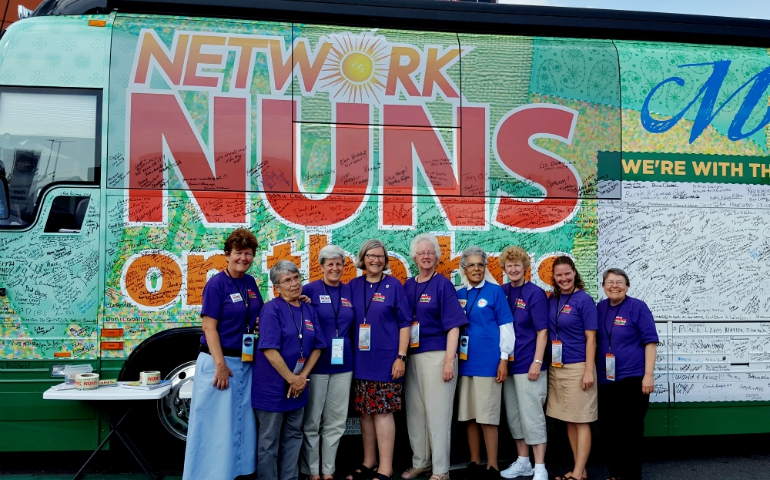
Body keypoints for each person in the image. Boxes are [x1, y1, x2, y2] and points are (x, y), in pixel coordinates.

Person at [184, 228, 264, 480]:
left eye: (249, 254)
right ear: (227, 254)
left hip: (244, 363)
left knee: (239, 422)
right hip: (219, 363)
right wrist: (220, 365)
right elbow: (209, 327)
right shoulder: (216, 284)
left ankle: (235, 471)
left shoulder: (250, 283)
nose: (244, 258)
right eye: (239, 253)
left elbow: (257, 315)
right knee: (214, 424)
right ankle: (206, 474)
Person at [402, 233, 468, 480]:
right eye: (422, 253)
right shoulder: (409, 285)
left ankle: (441, 470)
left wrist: (449, 361)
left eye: (431, 253)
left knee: (438, 415)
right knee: (416, 413)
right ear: (414, 257)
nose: (426, 256)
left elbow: (454, 326)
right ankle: (421, 461)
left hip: (438, 355)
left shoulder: (443, 285)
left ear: (437, 257)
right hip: (412, 356)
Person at [254, 260, 327, 480]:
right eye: (287, 280)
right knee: (269, 441)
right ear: (277, 287)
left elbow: (318, 347)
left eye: (296, 278)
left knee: (294, 436)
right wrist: (291, 379)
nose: (294, 283)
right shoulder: (271, 309)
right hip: (272, 388)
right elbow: (268, 349)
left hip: (298, 387)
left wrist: (301, 378)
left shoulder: (308, 309)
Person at [347, 239, 412, 480]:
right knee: (365, 413)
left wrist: (401, 357)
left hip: (387, 362)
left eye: (381, 256)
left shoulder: (394, 285)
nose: (376, 260)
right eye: (371, 256)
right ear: (363, 258)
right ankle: (369, 461)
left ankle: (385, 467)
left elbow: (406, 324)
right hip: (360, 363)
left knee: (383, 413)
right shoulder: (352, 286)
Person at [456, 246, 515, 480]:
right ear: (464, 268)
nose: (476, 269)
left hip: (489, 363)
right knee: (470, 415)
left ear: (485, 267)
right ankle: (474, 461)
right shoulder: (459, 294)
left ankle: (492, 465)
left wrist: (503, 360)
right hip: (465, 364)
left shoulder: (495, 292)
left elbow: (506, 328)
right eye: (471, 265)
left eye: (480, 265)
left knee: (488, 416)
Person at [300, 246, 356, 480]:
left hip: (344, 365)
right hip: (317, 365)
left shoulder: (349, 291)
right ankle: (312, 470)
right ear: (321, 266)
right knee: (312, 421)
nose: (334, 268)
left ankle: (328, 470)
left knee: (336, 421)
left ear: (344, 267)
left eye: (339, 264)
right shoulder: (309, 290)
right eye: (329, 264)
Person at [596, 268, 658, 480]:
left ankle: (632, 476)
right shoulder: (599, 308)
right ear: (604, 286)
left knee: (630, 432)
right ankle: (615, 475)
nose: (615, 286)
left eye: (620, 282)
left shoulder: (637, 307)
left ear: (627, 286)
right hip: (606, 380)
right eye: (610, 282)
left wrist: (648, 375)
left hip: (633, 379)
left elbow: (650, 342)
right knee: (610, 432)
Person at [497, 247, 549, 480]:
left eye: (518, 265)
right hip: (508, 365)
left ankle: (540, 467)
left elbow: (542, 331)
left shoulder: (534, 293)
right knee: (515, 417)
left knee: (532, 417)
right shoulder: (502, 291)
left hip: (529, 365)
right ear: (504, 269)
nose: (514, 269)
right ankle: (523, 462)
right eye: (510, 265)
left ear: (526, 267)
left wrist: (537, 361)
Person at [546, 256, 598, 480]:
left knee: (582, 419)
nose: (564, 278)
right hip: (557, 367)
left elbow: (591, 338)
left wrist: (588, 370)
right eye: (559, 275)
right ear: (554, 278)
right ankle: (580, 469)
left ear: (575, 273)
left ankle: (577, 473)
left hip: (578, 366)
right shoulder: (554, 299)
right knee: (569, 418)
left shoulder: (584, 300)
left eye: (567, 274)